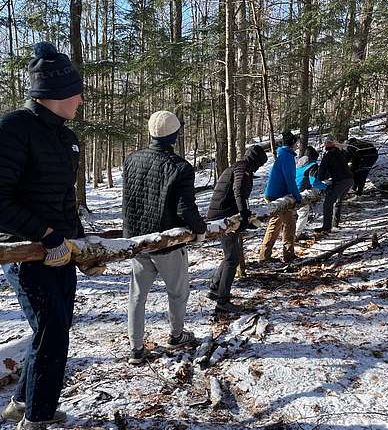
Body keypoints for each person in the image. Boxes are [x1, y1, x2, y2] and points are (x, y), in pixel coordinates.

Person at [0, 42, 103, 430]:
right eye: (77, 92)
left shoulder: (65, 136)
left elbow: (64, 198)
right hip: (24, 250)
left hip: (59, 250)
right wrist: (44, 235)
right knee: (53, 332)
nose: (81, 99)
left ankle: (22, 401)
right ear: (57, 93)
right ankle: (34, 423)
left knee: (55, 327)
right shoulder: (9, 129)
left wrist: (80, 248)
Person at [123, 110, 207, 366]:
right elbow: (185, 209)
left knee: (137, 297)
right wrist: (199, 230)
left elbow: (129, 200)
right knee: (178, 292)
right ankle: (176, 335)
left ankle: (136, 348)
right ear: (174, 135)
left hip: (137, 241)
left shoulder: (131, 159)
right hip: (166, 241)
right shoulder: (180, 167)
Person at [207, 144, 268, 312]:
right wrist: (243, 214)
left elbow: (238, 195)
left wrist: (245, 215)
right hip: (223, 216)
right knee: (232, 258)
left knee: (230, 255)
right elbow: (238, 191)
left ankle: (215, 288)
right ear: (256, 160)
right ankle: (223, 300)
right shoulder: (243, 168)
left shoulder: (239, 166)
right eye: (260, 164)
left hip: (223, 213)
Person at [259, 130, 302, 262]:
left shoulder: (283, 155)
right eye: (296, 142)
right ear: (293, 143)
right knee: (290, 224)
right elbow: (290, 179)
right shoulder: (287, 157)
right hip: (277, 197)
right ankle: (288, 256)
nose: (297, 145)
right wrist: (297, 196)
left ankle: (264, 256)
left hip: (273, 194)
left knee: (275, 224)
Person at [315, 136, 354, 233]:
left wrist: (319, 181)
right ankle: (335, 223)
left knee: (328, 202)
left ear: (327, 145)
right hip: (349, 180)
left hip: (341, 181)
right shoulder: (340, 152)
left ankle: (326, 227)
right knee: (338, 201)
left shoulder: (327, 156)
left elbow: (321, 172)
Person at [294, 145, 326, 239]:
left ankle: (288, 233)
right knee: (303, 213)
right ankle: (297, 235)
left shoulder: (299, 165)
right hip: (302, 192)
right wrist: (324, 187)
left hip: (293, 190)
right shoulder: (312, 165)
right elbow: (314, 181)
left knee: (291, 213)